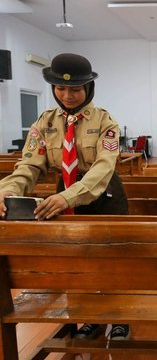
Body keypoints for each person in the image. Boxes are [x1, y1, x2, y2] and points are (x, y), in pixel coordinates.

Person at [0, 53, 130, 341]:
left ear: (88, 88)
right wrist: (8, 190)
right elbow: (30, 165)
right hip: (64, 195)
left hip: (104, 196)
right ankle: (89, 318)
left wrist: (70, 197)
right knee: (76, 261)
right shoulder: (44, 123)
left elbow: (103, 167)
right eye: (60, 88)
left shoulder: (105, 121)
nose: (67, 95)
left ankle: (121, 317)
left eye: (75, 89)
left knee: (111, 261)